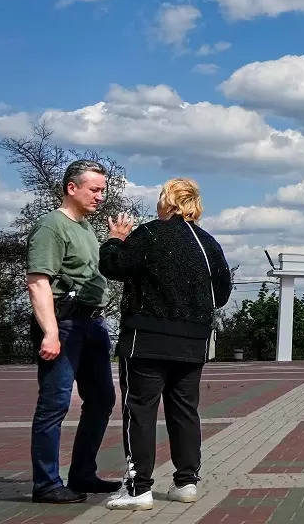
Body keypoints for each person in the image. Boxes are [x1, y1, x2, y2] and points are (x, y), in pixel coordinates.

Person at [99, 177, 233, 510]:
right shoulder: (208, 244)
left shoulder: (149, 234)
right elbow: (222, 294)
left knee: (140, 411)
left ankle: (138, 488)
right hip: (193, 341)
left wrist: (115, 240)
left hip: (146, 340)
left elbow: (113, 266)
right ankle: (186, 481)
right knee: (185, 410)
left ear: (166, 201)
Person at [26, 160, 119, 504]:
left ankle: (82, 473)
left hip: (92, 324)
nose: (101, 196)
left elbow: (89, 274)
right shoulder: (52, 226)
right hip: (64, 324)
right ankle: (46, 484)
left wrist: (113, 242)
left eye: (103, 189)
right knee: (55, 403)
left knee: (102, 399)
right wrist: (50, 332)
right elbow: (38, 282)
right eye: (95, 189)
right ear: (71, 188)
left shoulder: (85, 228)